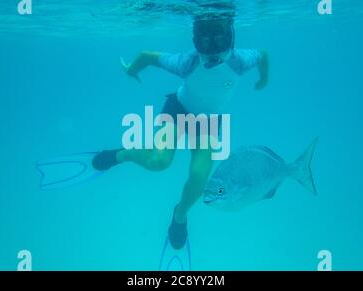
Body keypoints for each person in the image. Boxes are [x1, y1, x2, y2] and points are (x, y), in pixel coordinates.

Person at [92, 15, 269, 249]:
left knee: (200, 178)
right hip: (178, 110)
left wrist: (263, 79)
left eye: (220, 41)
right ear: (196, 41)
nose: (213, 51)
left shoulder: (240, 61)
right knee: (158, 161)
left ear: (230, 39)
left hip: (207, 121)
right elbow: (147, 56)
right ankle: (120, 155)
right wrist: (131, 70)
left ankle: (180, 215)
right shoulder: (189, 62)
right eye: (205, 43)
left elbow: (262, 56)